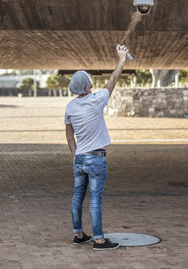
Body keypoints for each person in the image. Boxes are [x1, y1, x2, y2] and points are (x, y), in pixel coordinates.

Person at [64, 45, 129, 251]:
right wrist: (121, 59)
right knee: (95, 200)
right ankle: (99, 240)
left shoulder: (70, 107)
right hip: (96, 159)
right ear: (87, 86)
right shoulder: (96, 99)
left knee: (77, 197)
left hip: (80, 159)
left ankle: (78, 234)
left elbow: (69, 135)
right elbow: (113, 80)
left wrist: (75, 156)